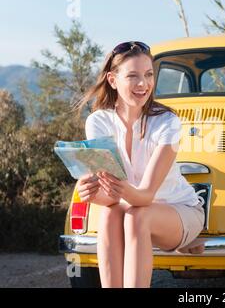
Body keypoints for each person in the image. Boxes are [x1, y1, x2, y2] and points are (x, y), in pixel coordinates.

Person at [75, 41, 205, 288]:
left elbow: (144, 196)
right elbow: (112, 199)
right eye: (133, 76)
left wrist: (113, 188)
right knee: (109, 214)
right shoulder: (98, 122)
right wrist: (91, 194)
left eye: (148, 75)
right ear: (112, 80)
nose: (143, 84)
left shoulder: (168, 121)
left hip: (178, 212)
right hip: (131, 209)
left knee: (137, 216)